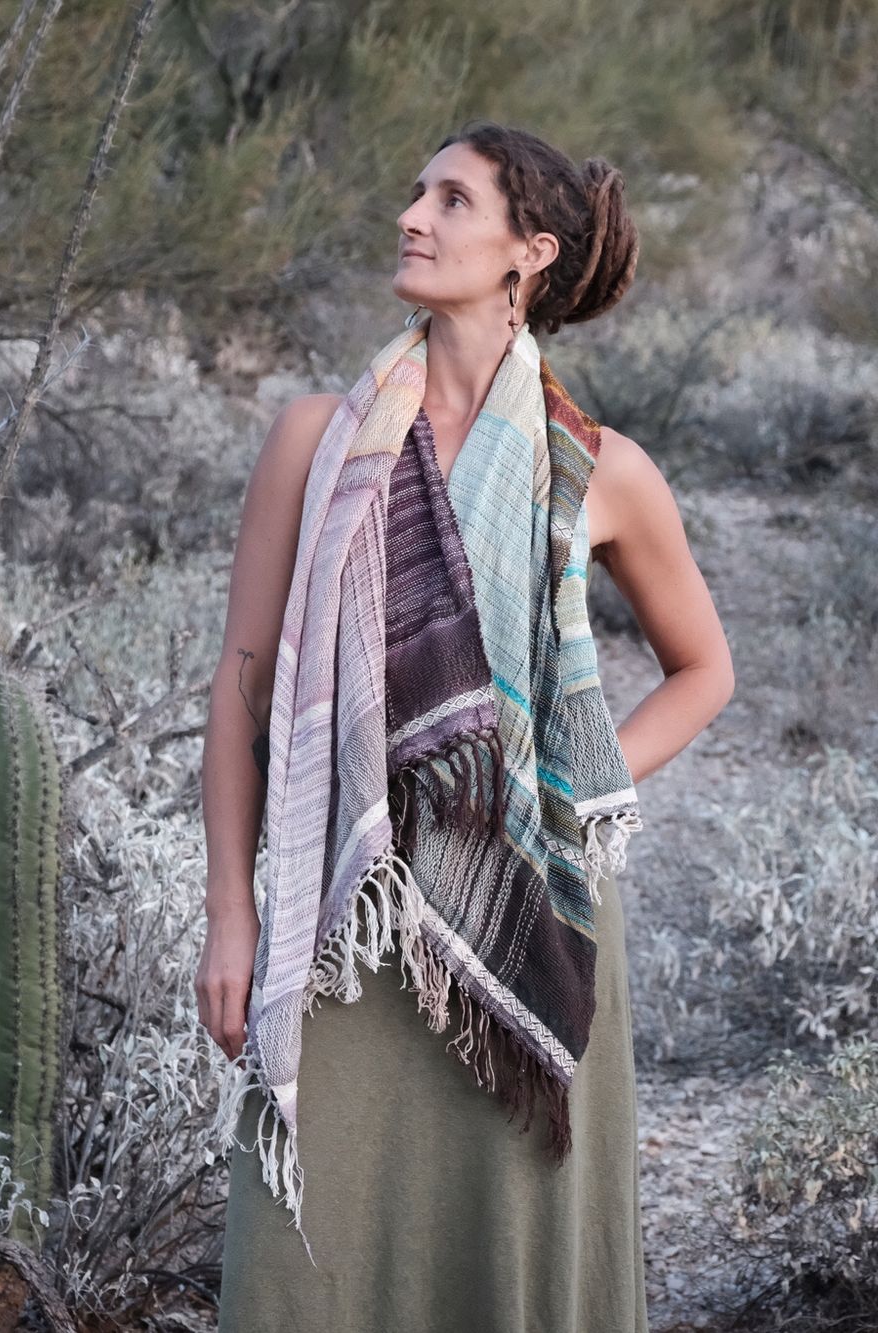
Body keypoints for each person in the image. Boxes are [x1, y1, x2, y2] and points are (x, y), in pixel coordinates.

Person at [195, 119, 734, 1332]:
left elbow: (703, 670)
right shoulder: (311, 442)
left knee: (505, 1264)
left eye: (451, 200)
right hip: (351, 912)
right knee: (303, 1265)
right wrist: (232, 913)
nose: (412, 216)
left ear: (524, 253)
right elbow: (238, 691)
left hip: (526, 916)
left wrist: (562, 785)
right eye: (414, 191)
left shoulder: (599, 471)